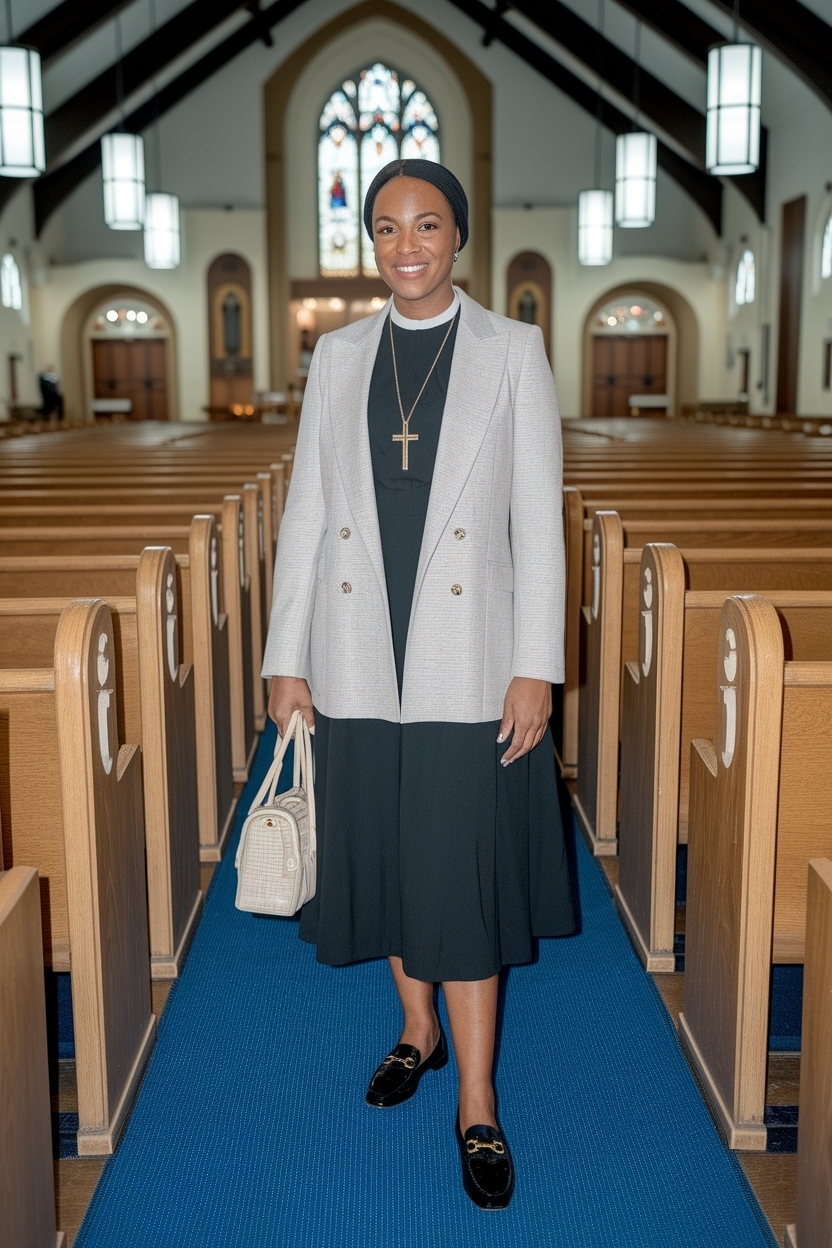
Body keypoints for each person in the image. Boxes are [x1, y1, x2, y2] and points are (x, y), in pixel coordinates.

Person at [263, 158, 574, 1210]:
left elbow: (539, 517)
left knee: (464, 881)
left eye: (427, 224)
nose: (405, 244)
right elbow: (307, 509)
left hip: (471, 660)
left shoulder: (511, 350)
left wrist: (538, 666)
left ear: (458, 237)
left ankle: (476, 1103)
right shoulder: (339, 355)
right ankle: (416, 1028)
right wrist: (283, 655)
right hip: (357, 655)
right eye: (387, 226)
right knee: (394, 865)